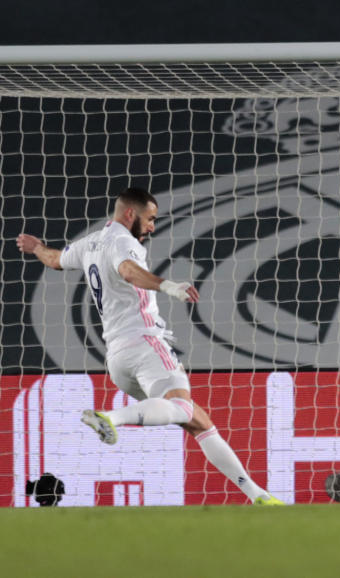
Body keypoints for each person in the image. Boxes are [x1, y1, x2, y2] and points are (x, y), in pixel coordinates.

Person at [17, 187, 283, 506]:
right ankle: (111, 419)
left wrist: (36, 248)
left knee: (198, 421)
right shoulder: (123, 243)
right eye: (150, 219)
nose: (152, 227)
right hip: (145, 343)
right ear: (130, 213)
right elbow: (128, 271)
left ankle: (259, 496)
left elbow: (55, 260)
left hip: (117, 359)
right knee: (184, 408)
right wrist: (169, 286)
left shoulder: (89, 243)